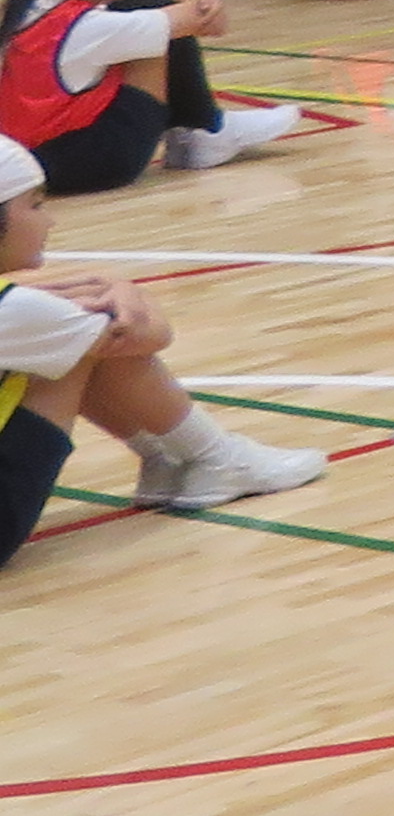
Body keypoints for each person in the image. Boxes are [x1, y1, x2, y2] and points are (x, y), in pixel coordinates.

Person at [0, 134, 326, 544]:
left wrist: (114, 288)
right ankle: (214, 457)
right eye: (35, 205)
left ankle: (168, 460)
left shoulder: (16, 310)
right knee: (80, 346)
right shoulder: (18, 313)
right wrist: (130, 293)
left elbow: (41, 307)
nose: (50, 221)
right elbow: (146, 335)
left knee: (67, 337)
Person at [3, 0, 299, 184]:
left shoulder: (30, 12)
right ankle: (206, 129)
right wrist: (194, 3)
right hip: (97, 164)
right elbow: (202, 21)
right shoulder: (88, 26)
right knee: (153, 17)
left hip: (35, 159)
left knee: (145, 15)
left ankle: (195, 132)